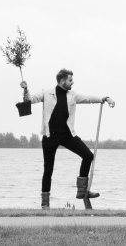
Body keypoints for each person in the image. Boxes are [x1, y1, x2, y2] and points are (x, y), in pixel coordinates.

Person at [21, 68, 114, 209]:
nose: (73, 82)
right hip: (50, 136)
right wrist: (25, 88)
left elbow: (88, 98)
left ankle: (82, 191)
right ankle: (45, 203)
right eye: (70, 80)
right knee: (48, 170)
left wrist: (104, 99)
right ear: (62, 80)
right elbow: (29, 100)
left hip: (67, 135)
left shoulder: (72, 95)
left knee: (88, 156)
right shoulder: (47, 92)